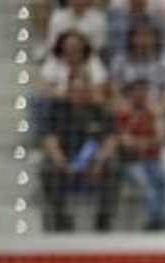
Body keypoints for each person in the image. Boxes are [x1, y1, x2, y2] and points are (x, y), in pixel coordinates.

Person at [38, 73, 122, 232]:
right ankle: (61, 218)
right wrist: (61, 162)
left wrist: (99, 160)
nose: (80, 94)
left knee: (114, 167)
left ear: (89, 91)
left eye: (83, 90)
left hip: (93, 162)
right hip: (66, 161)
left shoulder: (100, 111)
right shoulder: (57, 111)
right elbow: (49, 139)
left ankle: (104, 219)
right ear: (69, 91)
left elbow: (112, 139)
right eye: (76, 90)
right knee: (47, 170)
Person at [115, 78, 165, 230]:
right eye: (138, 91)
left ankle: (157, 220)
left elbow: (162, 137)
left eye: (144, 91)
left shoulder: (153, 113)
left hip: (152, 160)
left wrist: (156, 117)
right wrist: (146, 142)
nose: (141, 95)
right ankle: (159, 221)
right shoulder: (123, 114)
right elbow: (123, 142)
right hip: (131, 162)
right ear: (131, 94)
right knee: (146, 183)